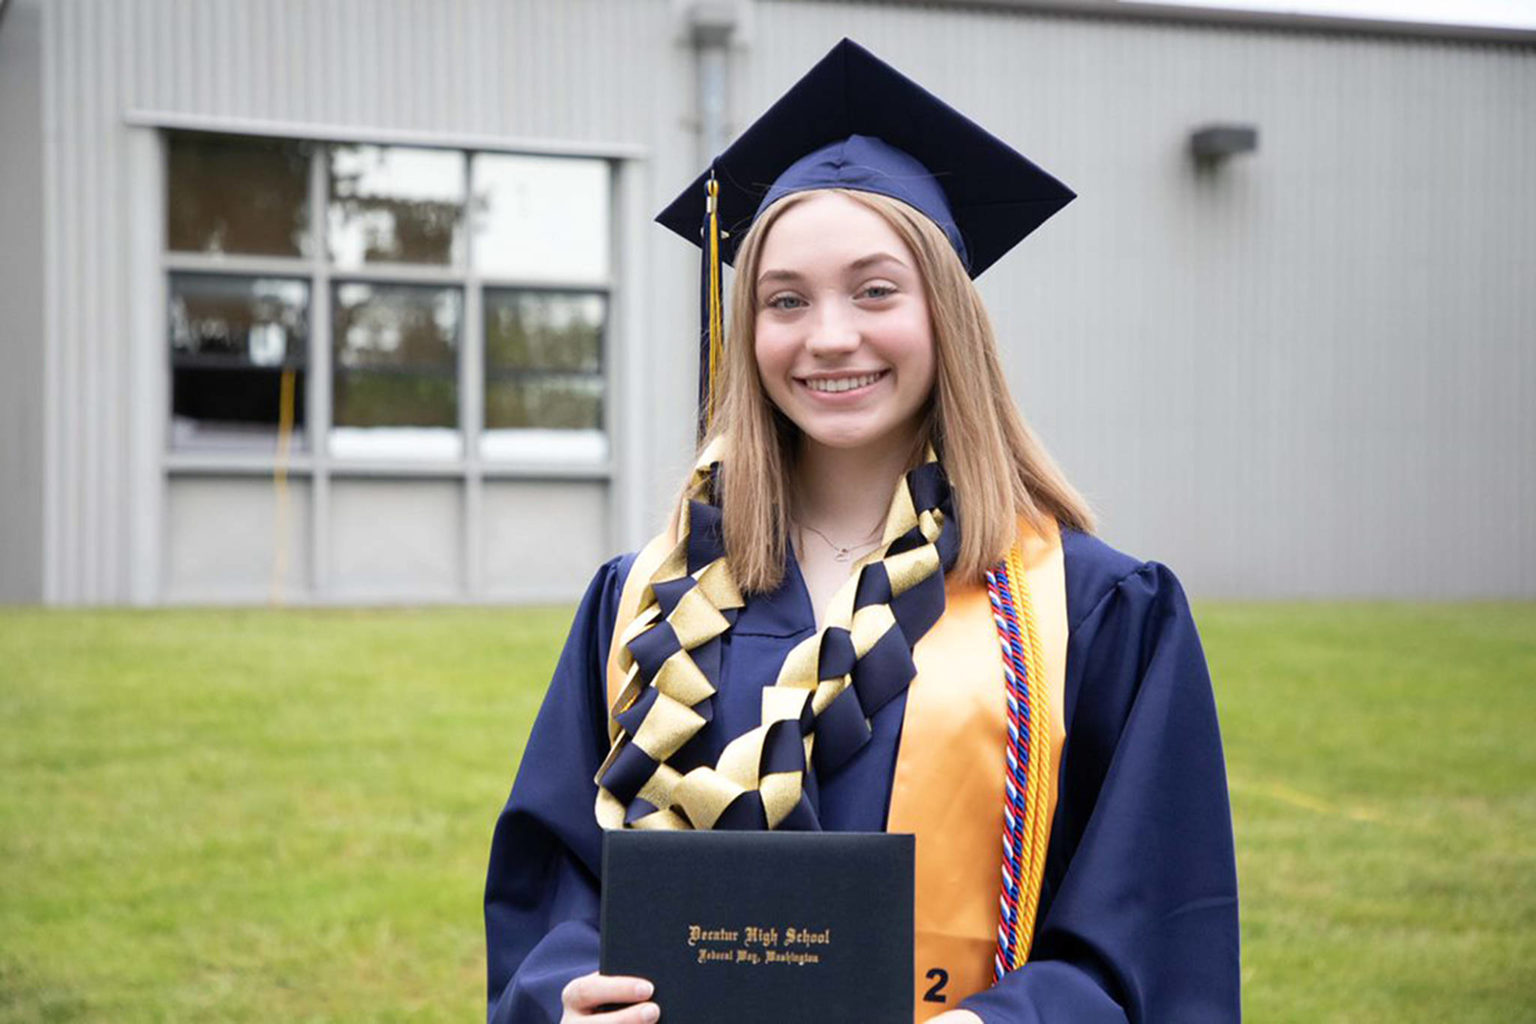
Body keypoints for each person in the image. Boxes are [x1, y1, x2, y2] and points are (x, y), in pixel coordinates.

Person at [485, 39, 1239, 1024]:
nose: (828, 334)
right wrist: (566, 998)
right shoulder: (637, 602)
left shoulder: (1090, 610)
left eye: (875, 290)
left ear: (948, 314)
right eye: (784, 299)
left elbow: (1151, 926)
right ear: (747, 333)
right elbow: (558, 887)